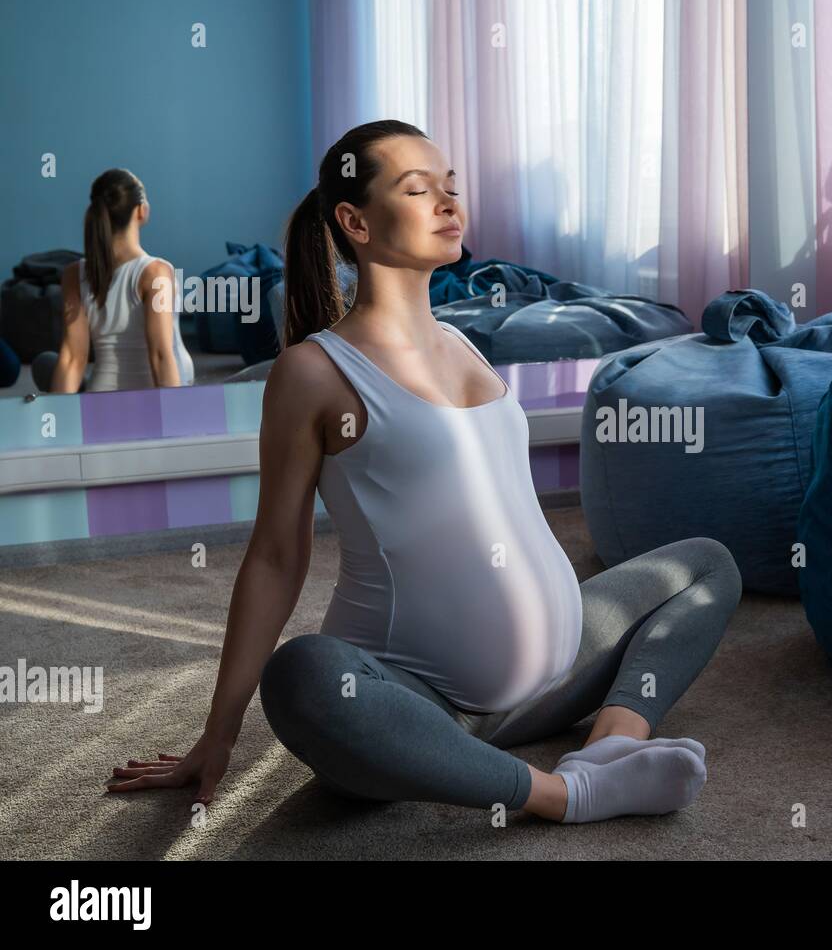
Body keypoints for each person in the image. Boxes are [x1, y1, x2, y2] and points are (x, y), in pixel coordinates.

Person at [107, 121, 741, 824]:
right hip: (421, 701)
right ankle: (568, 796)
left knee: (706, 566)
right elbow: (277, 554)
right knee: (304, 677)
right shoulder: (313, 372)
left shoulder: (465, 342)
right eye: (417, 189)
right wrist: (218, 735)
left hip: (556, 677)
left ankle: (607, 747)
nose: (448, 203)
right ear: (355, 221)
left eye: (451, 187)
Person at [36, 169, 194, 393]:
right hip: (154, 404)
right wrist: (174, 421)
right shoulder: (156, 272)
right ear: (141, 211)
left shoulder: (73, 274)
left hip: (101, 398)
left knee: (47, 362)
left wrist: (58, 421)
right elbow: (160, 355)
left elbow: (73, 358)